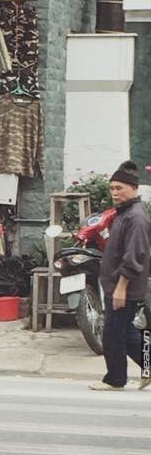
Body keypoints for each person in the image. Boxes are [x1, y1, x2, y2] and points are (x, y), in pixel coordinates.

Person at [89, 161, 151, 391]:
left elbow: (134, 255)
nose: (115, 192)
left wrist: (121, 287)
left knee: (113, 334)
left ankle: (115, 379)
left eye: (120, 188)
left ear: (134, 189)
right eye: (112, 188)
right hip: (117, 285)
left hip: (124, 287)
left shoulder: (136, 218)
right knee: (125, 332)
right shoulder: (125, 213)